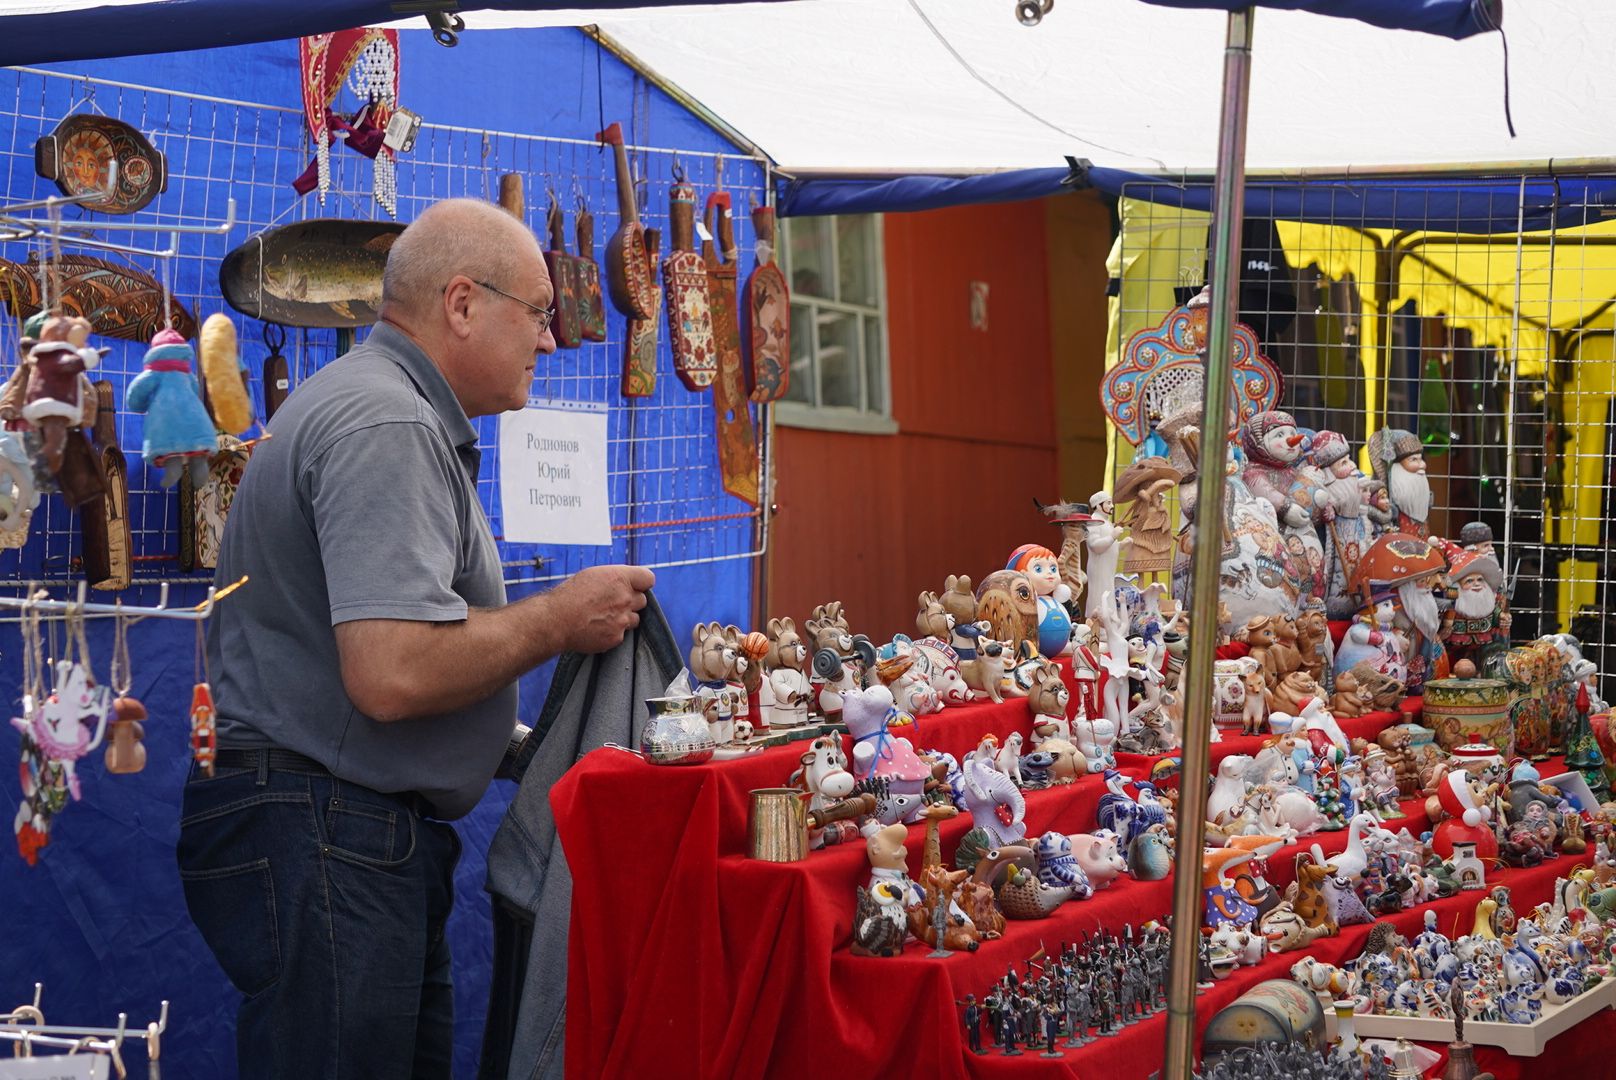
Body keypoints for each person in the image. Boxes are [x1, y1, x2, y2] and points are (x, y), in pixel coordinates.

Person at [175, 198, 654, 1080]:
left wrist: (514, 746)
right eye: (540, 315)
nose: (551, 343)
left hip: (333, 831)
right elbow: (392, 672)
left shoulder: (383, 410)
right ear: (464, 304)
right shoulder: (386, 425)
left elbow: (367, 661)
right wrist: (557, 619)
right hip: (326, 838)